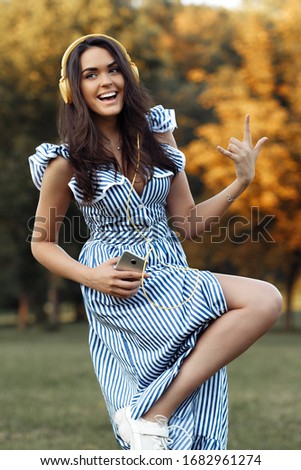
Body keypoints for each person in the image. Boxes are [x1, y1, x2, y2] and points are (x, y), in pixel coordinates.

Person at [28, 34, 282, 451]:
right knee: (265, 299)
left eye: (112, 69)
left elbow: (189, 224)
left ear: (129, 76)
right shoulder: (66, 159)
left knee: (187, 426)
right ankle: (152, 414)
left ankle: (151, 417)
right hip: (118, 280)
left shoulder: (158, 137)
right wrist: (91, 276)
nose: (105, 81)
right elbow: (42, 244)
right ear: (73, 90)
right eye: (90, 74)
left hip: (170, 268)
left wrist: (241, 182)